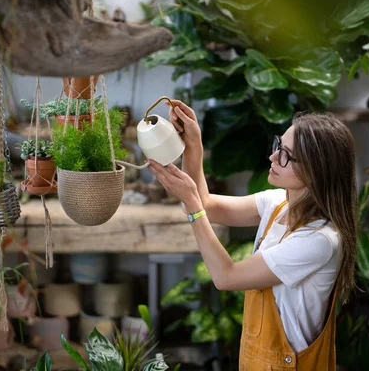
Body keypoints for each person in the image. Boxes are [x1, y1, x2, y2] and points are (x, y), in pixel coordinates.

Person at [148, 101, 358, 370]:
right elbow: (207, 205)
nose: (273, 157)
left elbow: (226, 276)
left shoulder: (319, 240)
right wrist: (193, 146)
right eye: (278, 146)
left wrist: (192, 206)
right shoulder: (279, 202)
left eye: (286, 155)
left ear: (316, 170)